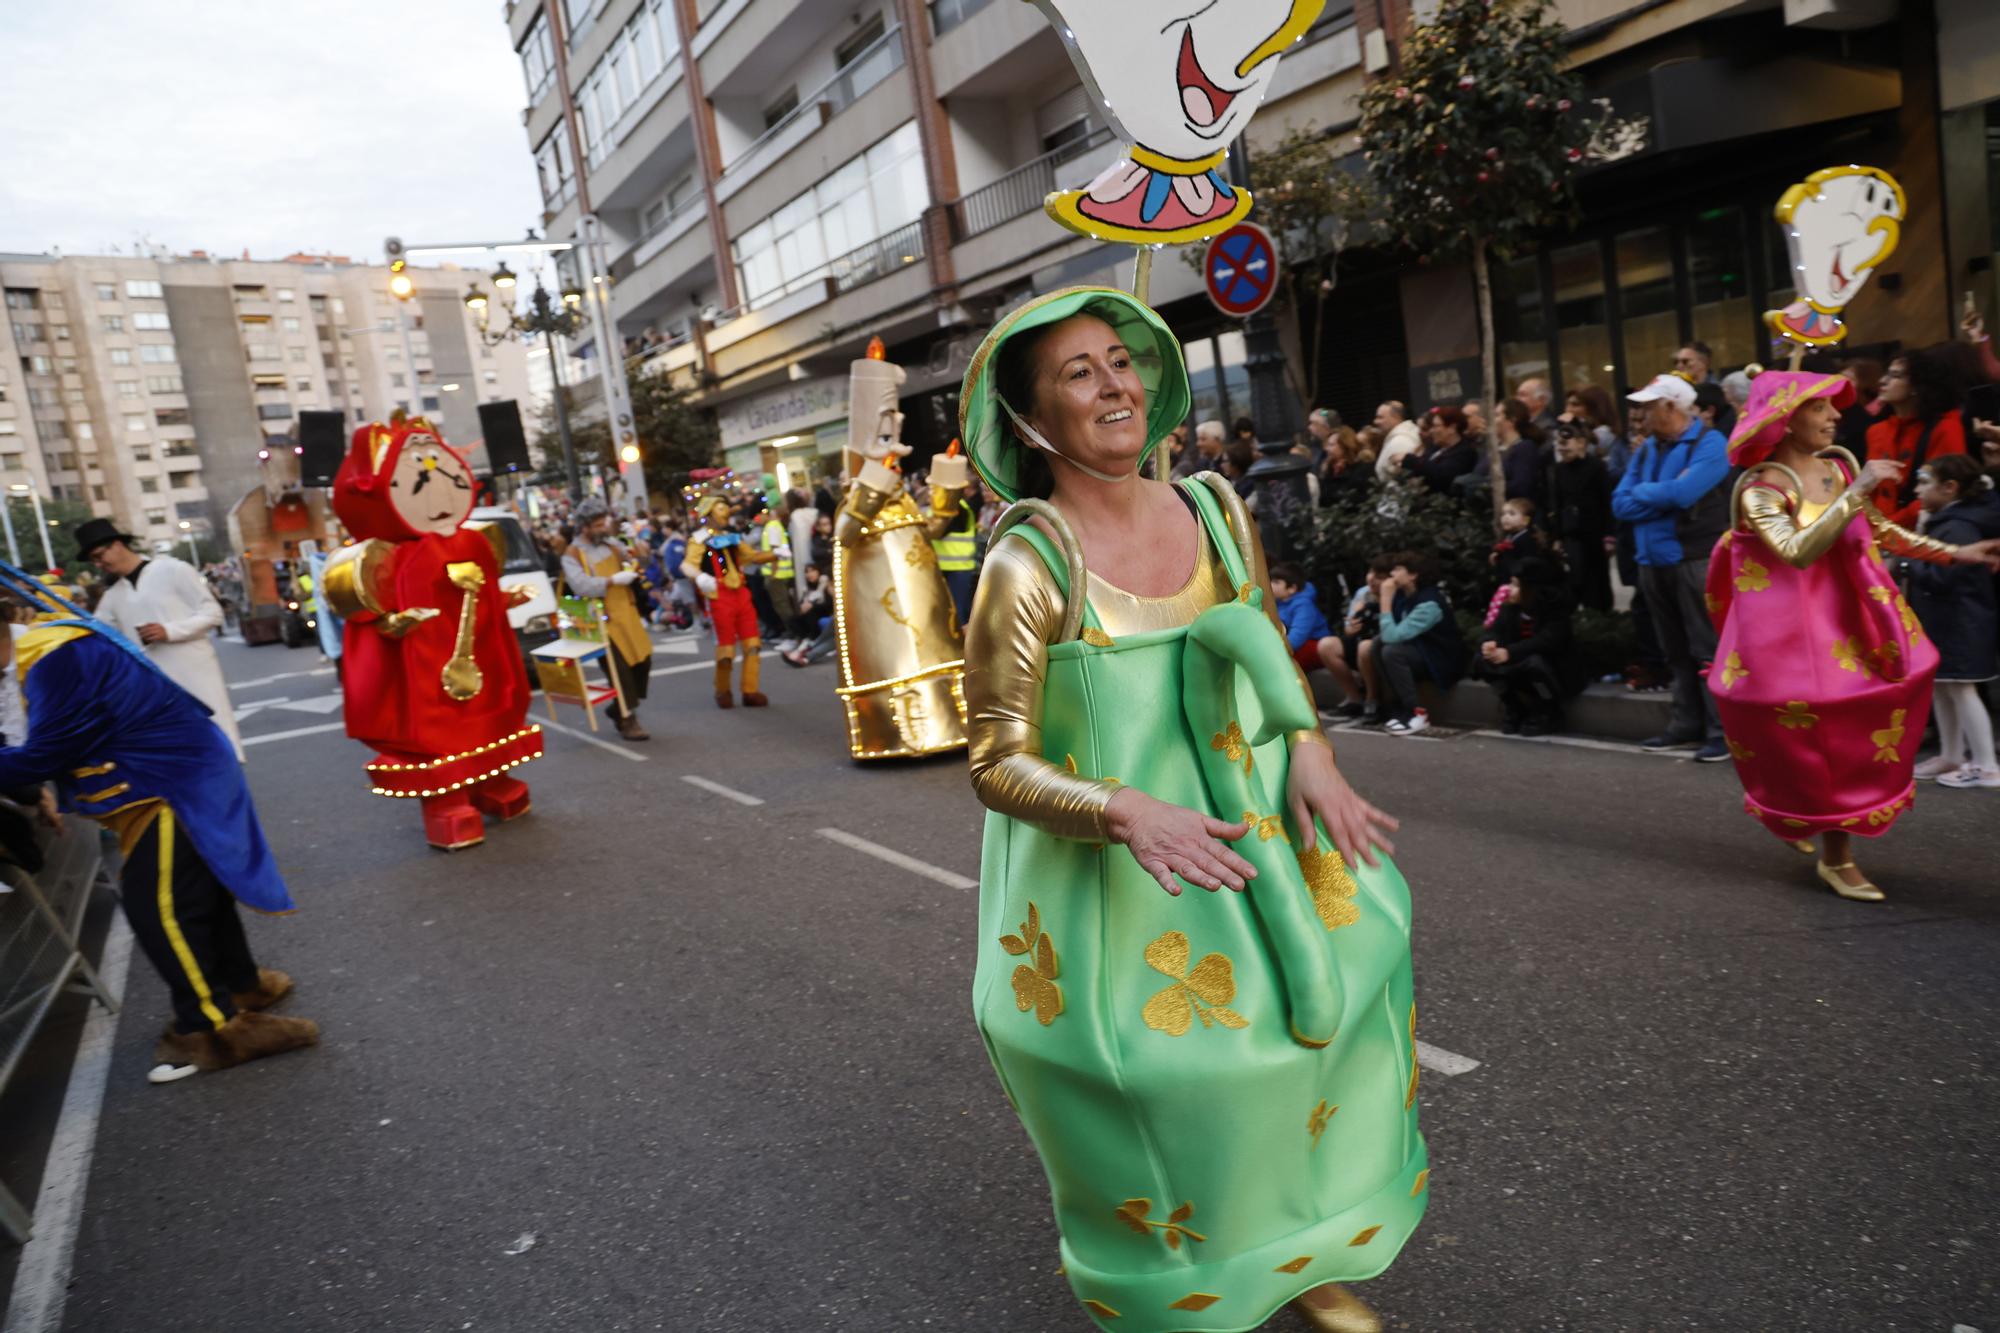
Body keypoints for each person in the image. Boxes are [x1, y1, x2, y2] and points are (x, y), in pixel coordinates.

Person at [958, 287, 1423, 1333]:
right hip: (1120, 869)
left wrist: (1309, 748)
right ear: (1032, 420)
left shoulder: (1213, 507)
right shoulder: (1027, 561)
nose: (1114, 384)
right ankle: (1180, 1281)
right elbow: (994, 760)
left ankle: (1303, 1256)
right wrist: (1124, 810)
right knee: (1170, 1073)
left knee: (1325, 1025)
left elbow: (1257, 640)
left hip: (1254, 828)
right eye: (1078, 373)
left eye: (1119, 360)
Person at [0, 576, 317, 1080]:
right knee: (199, 893)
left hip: (167, 781)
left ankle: (210, 1030)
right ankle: (241, 984)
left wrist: (24, 778)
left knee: (160, 909)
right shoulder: (35, 654)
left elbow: (45, 753)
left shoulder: (54, 658)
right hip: (165, 776)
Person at [1707, 370, 2000, 900]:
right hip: (1786, 643)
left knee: (1852, 730)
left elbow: (1878, 531)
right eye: (1821, 408)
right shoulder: (1761, 488)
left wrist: (1956, 553)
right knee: (1815, 738)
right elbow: (1798, 551)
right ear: (1786, 418)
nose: (1836, 416)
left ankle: (1806, 824)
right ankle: (1834, 855)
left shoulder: (1835, 468)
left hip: (1851, 628)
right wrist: (1861, 487)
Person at [1614, 373, 1733, 763]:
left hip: (1694, 560)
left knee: (1706, 649)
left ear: (1670, 406)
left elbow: (1686, 493)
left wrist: (1645, 494)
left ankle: (1721, 731)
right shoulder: (1649, 448)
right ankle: (1686, 725)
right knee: (1675, 651)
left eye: (1648, 406)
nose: (1641, 414)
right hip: (1654, 561)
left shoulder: (1711, 443)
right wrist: (1661, 496)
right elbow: (1619, 502)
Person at [76, 519, 243, 761]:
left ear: (117, 545)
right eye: (94, 560)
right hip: (153, 691)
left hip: (195, 676)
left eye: (99, 556)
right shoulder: (111, 597)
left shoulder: (173, 570)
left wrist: (169, 631)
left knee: (216, 749)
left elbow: (212, 613)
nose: (99, 564)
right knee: (178, 761)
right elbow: (97, 636)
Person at [1903, 455, 2000, 788]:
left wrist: (1905, 565)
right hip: (1946, 622)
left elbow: (1946, 577)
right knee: (1942, 687)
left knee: (1961, 689)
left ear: (1950, 487)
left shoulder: (1957, 526)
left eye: (1924, 482)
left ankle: (1986, 765)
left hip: (1961, 623)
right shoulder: (1945, 520)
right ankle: (1952, 753)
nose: (1917, 489)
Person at [561, 498, 655, 742]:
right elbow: (581, 586)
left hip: (627, 613)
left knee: (643, 661)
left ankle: (617, 708)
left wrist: (635, 540)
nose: (605, 527)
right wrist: (612, 581)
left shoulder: (613, 544)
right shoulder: (572, 554)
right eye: (599, 524)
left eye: (605, 522)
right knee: (620, 670)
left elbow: (641, 562)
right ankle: (627, 719)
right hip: (601, 620)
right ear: (585, 527)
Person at [683, 493, 777, 708]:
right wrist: (700, 577)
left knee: (752, 644)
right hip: (719, 595)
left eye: (726, 508)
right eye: (720, 509)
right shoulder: (698, 539)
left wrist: (775, 554)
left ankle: (750, 691)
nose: (725, 513)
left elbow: (751, 556)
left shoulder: (732, 535)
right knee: (726, 650)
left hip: (741, 593)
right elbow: (687, 565)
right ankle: (722, 690)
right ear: (709, 513)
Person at [1475, 556, 1581, 736]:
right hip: (1517, 664)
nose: (1509, 589)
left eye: (1516, 585)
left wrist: (1509, 652)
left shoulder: (1555, 610)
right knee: (1481, 661)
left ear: (1532, 589)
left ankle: (1548, 711)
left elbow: (1546, 641)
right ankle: (1513, 707)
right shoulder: (1511, 608)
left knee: (1535, 663)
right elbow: (1495, 630)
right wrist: (1490, 643)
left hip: (1555, 670)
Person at [1364, 550, 1466, 736]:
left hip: (1440, 660)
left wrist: (1386, 599)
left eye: (1398, 569)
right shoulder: (1404, 595)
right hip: (1421, 651)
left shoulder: (1429, 603)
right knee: (1378, 644)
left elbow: (1392, 637)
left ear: (1413, 575)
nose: (1392, 574)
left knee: (1391, 651)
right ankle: (1398, 708)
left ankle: (1416, 712)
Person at [1866, 348, 1968, 529]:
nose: (1883, 381)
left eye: (1895, 376)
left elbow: (1942, 492)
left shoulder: (1946, 428)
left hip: (1920, 533)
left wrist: (1889, 527)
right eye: (1886, 374)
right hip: (1878, 532)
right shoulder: (1876, 431)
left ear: (1916, 386)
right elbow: (1870, 490)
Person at [1549, 419, 1615, 612]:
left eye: (1567, 444)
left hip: (1594, 531)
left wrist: (1609, 535)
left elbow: (1606, 502)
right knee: (1577, 577)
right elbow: (1556, 503)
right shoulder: (1558, 470)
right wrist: (1557, 536)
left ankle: (1602, 616)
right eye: (1560, 445)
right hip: (1571, 531)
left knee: (1598, 578)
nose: (1563, 449)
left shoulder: (1596, 467)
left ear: (1581, 443)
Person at [1319, 554, 1392, 721]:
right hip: (1360, 640)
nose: (1372, 580)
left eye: (1379, 577)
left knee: (1366, 646)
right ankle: (1354, 698)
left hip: (1381, 645)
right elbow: (1349, 628)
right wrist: (1351, 626)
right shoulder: (1363, 593)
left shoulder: (1394, 594)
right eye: (1371, 573)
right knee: (1326, 645)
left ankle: (1371, 699)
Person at [1269, 561, 1333, 680]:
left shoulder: (1304, 605)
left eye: (1276, 582)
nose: (1271, 585)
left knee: (1283, 666)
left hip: (1313, 644)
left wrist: (1276, 651)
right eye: (1271, 581)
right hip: (1291, 645)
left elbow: (1298, 636)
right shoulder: (1277, 603)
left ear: (1292, 588)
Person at [1401, 405, 1479, 496]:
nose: (1431, 431)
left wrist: (1410, 460)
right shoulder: (1434, 448)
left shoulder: (1465, 452)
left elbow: (1442, 476)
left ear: (1452, 428)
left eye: (1436, 426)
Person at [1494, 399, 1547, 511]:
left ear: (1512, 420)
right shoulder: (1494, 449)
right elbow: (1478, 472)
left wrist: (1489, 486)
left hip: (1516, 514)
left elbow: (1521, 486)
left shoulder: (1525, 448)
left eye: (1497, 415)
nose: (1492, 420)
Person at [1836, 357, 1885, 457]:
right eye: (1838, 377)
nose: (1839, 382)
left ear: (1867, 382)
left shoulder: (1871, 416)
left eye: (1848, 379)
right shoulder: (1839, 408)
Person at [1373, 400, 1422, 481]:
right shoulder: (1400, 437)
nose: (1375, 422)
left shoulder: (1401, 442)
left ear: (1396, 417)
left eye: (1380, 417)